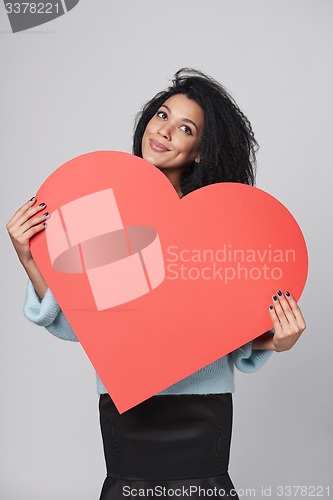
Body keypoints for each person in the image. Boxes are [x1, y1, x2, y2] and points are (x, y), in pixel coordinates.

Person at [7, 68, 306, 499]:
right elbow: (86, 328)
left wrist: (276, 341)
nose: (164, 131)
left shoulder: (217, 227)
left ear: (201, 151)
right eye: (162, 115)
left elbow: (218, 332)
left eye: (184, 128)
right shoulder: (107, 212)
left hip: (203, 410)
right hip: (128, 407)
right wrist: (29, 258)